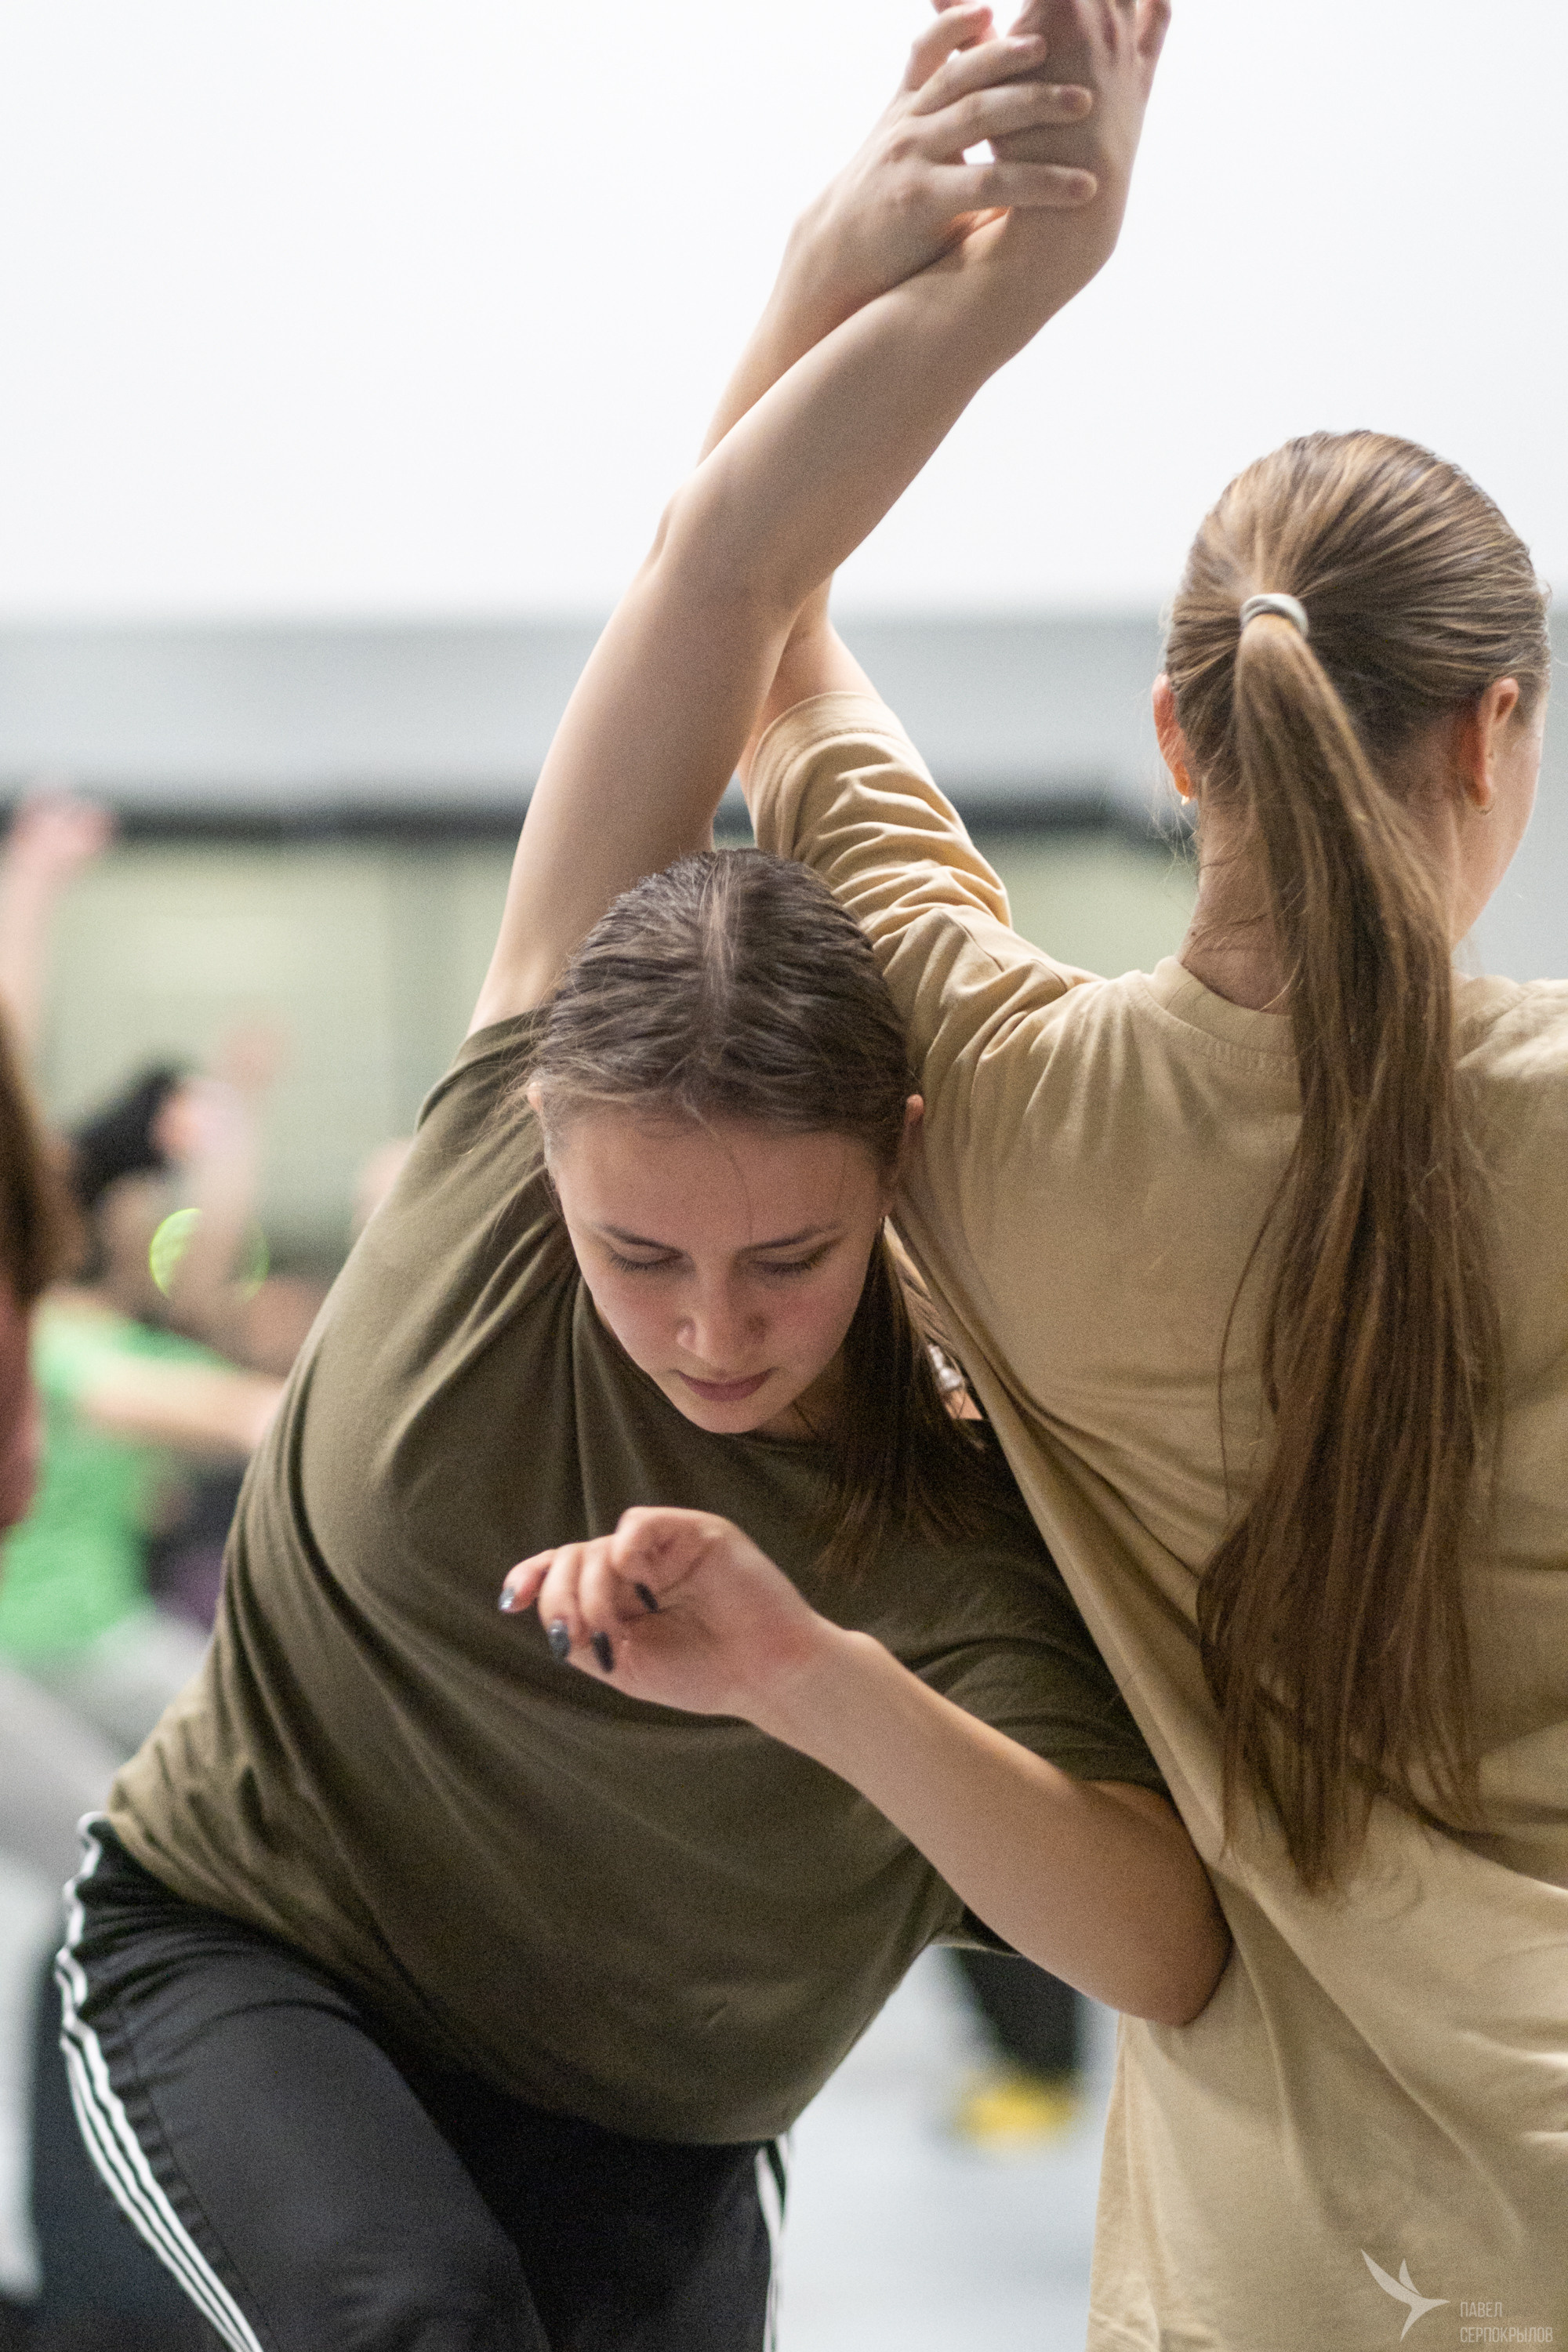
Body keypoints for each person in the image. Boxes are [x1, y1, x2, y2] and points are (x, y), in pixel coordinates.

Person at [53, 12, 1214, 2351]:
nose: (705, 1324)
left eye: (784, 1258)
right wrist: (941, 277)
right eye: (641, 1254)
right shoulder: (499, 1139)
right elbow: (715, 574)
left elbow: (1161, 1946)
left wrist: (809, 1677)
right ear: (537, 1148)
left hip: (659, 2122)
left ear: (893, 1168)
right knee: (414, 2324)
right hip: (251, 1976)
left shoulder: (954, 1495)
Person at [514, 17, 1568, 2345]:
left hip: (1290, 2254)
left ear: (1179, 733)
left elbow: (744, 598)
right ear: (1501, 730)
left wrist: (919, 254)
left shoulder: (992, 1109)